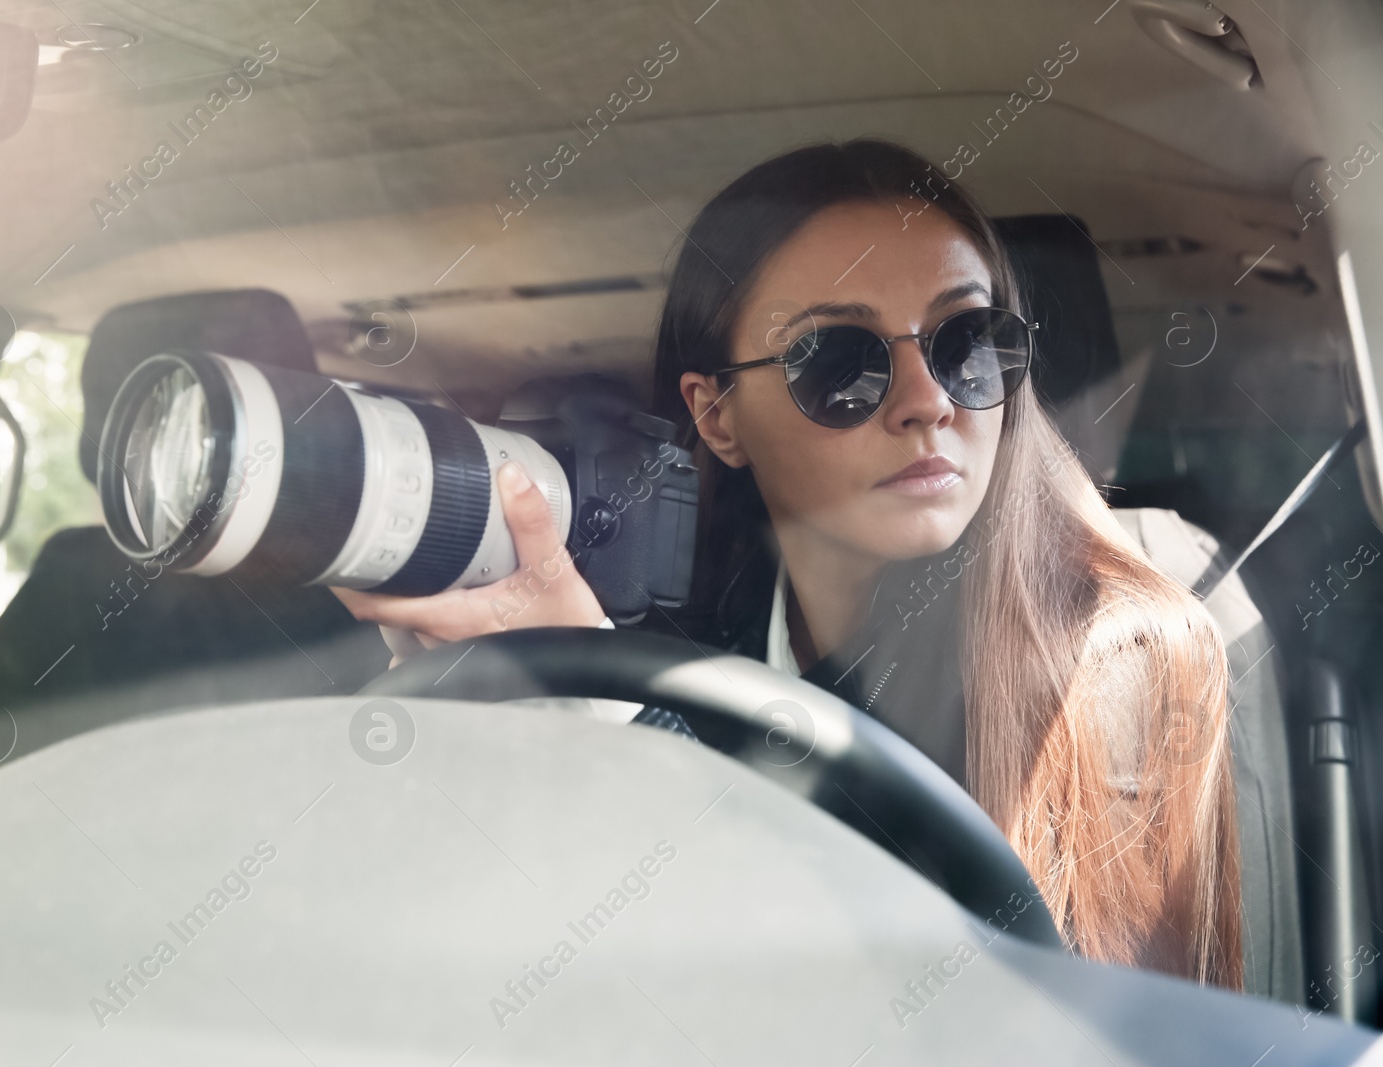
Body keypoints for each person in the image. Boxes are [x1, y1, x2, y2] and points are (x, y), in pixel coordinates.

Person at [334, 138, 1242, 987]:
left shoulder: (1117, 653)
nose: (928, 401)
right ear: (717, 416)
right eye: (839, 360)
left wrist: (618, 729)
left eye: (966, 342)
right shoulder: (682, 641)